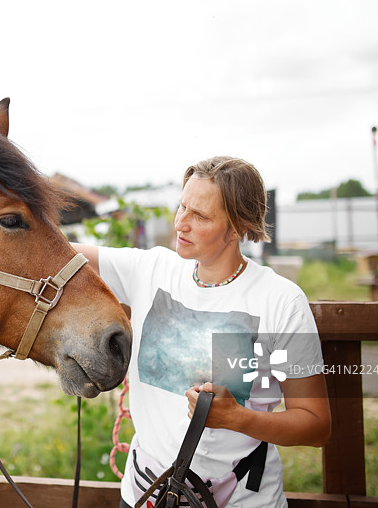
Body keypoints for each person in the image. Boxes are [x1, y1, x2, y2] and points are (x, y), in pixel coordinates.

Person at [73, 156, 330, 508]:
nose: (181, 223)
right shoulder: (150, 270)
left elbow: (316, 425)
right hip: (144, 496)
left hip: (242, 500)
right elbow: (51, 251)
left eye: (201, 216)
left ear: (237, 227)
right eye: (182, 207)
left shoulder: (281, 301)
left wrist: (239, 419)